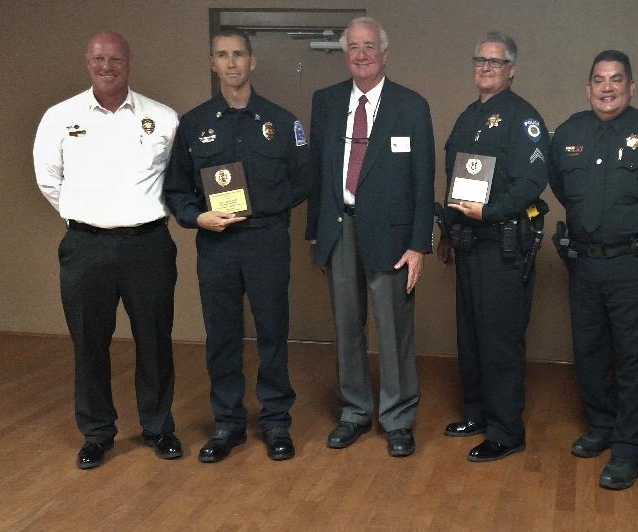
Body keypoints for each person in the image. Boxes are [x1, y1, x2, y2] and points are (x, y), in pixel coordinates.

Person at [33, 32, 181, 469]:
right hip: (86, 247)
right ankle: (97, 433)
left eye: (115, 58)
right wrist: (88, 214)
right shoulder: (61, 117)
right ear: (87, 62)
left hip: (148, 245)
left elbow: (176, 180)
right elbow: (48, 178)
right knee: (89, 342)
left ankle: (158, 427)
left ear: (129, 62)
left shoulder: (163, 118)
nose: (107, 66)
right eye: (99, 59)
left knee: (154, 341)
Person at [164, 27, 312, 463]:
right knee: (222, 336)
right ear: (212, 63)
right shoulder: (192, 125)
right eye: (222, 55)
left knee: (271, 333)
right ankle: (227, 422)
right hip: (218, 244)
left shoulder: (283, 123)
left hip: (266, 240)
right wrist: (197, 217)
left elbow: (303, 180)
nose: (231, 63)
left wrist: (263, 207)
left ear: (253, 62)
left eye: (239, 55)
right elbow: (176, 190)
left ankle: (275, 421)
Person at [548, 50, 638, 489]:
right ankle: (602, 425)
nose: (607, 88)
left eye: (616, 80)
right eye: (599, 80)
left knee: (633, 359)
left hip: (635, 264)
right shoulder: (568, 132)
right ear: (588, 87)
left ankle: (630, 448)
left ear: (631, 86)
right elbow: (561, 186)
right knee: (588, 352)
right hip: (585, 262)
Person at [306, 17, 434, 457]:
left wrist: (419, 244)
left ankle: (397, 418)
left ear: (384, 52)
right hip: (338, 229)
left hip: (394, 238)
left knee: (394, 328)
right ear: (346, 54)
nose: (361, 54)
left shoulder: (411, 106)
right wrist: (314, 234)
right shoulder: (325, 102)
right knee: (346, 325)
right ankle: (355, 412)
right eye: (354, 47)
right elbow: (317, 173)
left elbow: (424, 181)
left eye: (369, 46)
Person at [438, 32, 550, 462]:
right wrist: (448, 233)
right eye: (480, 60)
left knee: (500, 340)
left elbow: (531, 182)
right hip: (468, 243)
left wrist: (491, 212)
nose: (485, 68)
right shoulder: (468, 117)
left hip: (502, 244)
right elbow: (454, 184)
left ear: (512, 70)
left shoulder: (525, 120)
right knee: (469, 335)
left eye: (495, 62)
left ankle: (506, 431)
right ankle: (477, 413)